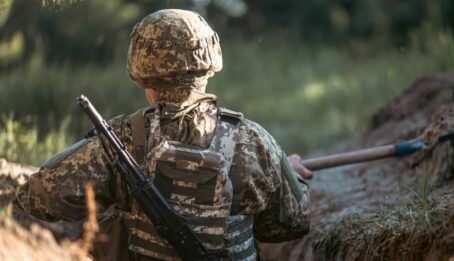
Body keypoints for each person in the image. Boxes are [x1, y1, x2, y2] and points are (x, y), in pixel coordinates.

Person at [16, 9, 312, 261]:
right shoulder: (255, 142)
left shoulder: (121, 141)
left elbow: (37, 196)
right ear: (210, 62)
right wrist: (290, 174)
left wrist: (112, 205)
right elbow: (292, 224)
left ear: (142, 69)